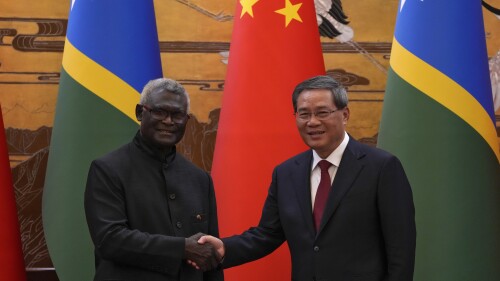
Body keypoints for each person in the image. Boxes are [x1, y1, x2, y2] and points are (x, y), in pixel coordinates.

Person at [196, 75, 416, 280]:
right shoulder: (286, 173)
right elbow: (267, 234)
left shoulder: (381, 167)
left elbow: (401, 249)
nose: (312, 122)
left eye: (322, 113)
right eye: (304, 114)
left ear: (345, 114)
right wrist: (224, 248)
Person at [84, 78, 223, 281]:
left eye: (177, 115)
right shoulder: (107, 170)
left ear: (187, 120)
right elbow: (110, 240)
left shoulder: (200, 179)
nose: (168, 121)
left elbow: (209, 255)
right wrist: (182, 248)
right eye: (159, 112)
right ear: (141, 112)